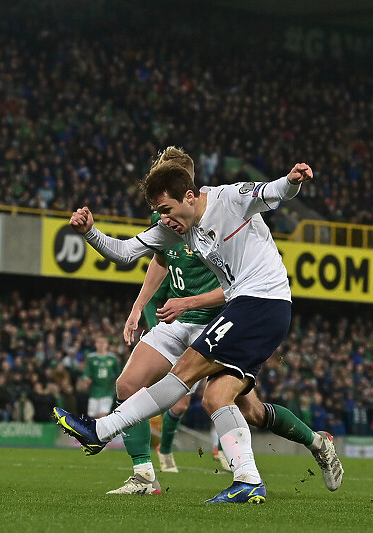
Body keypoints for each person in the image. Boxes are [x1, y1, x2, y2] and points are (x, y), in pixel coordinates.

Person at [54, 157, 343, 503]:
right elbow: (123, 253)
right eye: (159, 212)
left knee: (185, 372)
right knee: (216, 398)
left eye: (167, 209)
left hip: (263, 300)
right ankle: (253, 477)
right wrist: (89, 232)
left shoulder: (229, 199)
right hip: (248, 307)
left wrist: (294, 180)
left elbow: (273, 192)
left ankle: (101, 430)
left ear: (190, 196)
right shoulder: (176, 225)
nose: (164, 219)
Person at [83, 335, 121, 418]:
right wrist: (86, 380)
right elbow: (86, 373)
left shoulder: (112, 358)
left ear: (107, 344)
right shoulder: (91, 358)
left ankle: (101, 430)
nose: (101, 344)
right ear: (95, 344)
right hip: (94, 391)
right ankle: (96, 430)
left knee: (103, 415)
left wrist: (116, 383)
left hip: (107, 390)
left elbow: (118, 374)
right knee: (92, 416)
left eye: (103, 342)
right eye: (98, 342)